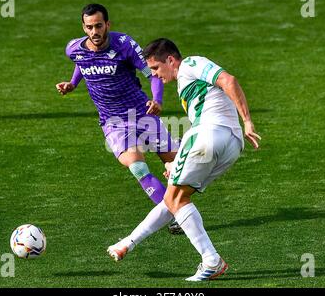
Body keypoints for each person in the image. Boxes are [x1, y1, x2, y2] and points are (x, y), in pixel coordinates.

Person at [107, 38, 261, 281]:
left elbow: (228, 80)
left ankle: (211, 260)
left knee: (175, 197)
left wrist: (248, 121)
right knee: (176, 197)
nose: (155, 75)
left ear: (170, 60)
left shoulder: (190, 64)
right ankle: (127, 243)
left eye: (156, 68)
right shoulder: (185, 84)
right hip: (231, 145)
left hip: (210, 133)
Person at [56, 5, 182, 233]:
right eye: (89, 27)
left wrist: (157, 99)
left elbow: (151, 73)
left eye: (98, 26)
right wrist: (72, 83)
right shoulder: (74, 49)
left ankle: (180, 186)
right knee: (138, 168)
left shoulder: (124, 45)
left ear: (107, 25)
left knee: (178, 166)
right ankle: (176, 215)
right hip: (113, 122)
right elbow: (81, 63)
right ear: (83, 27)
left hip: (141, 113)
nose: (94, 31)